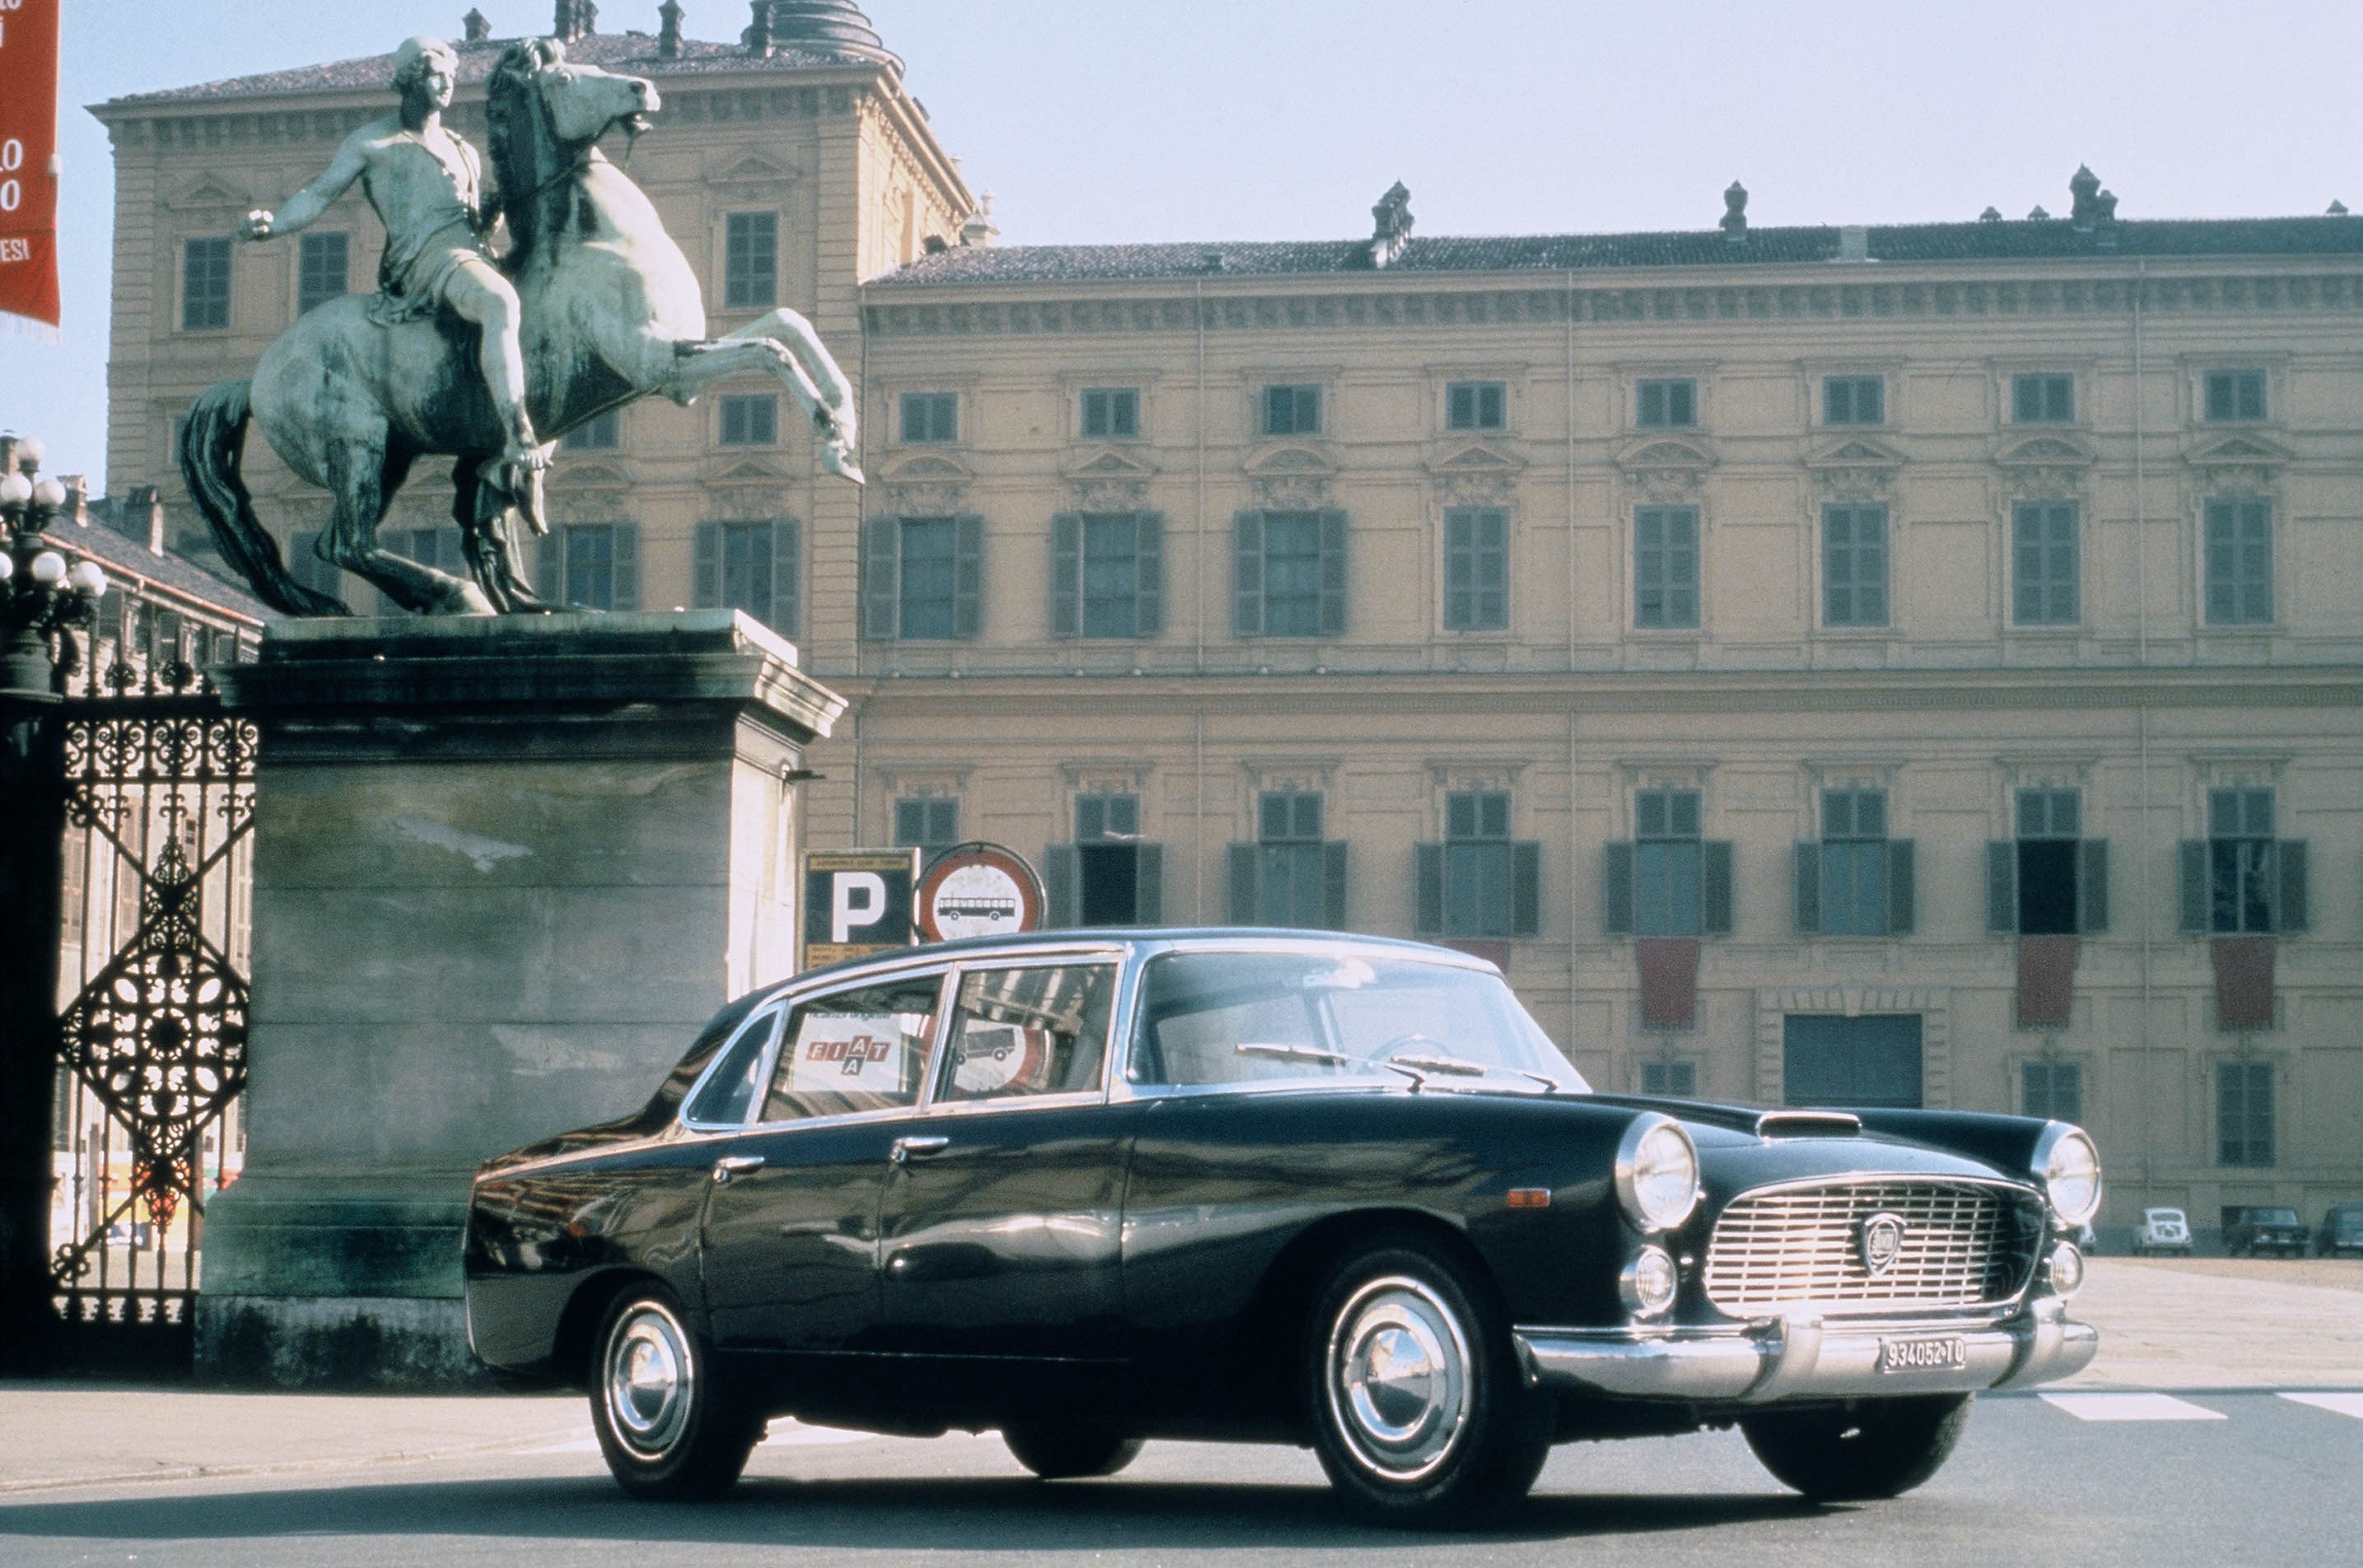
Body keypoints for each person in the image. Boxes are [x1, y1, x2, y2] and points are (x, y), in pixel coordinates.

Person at [240, 35, 548, 484]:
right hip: (425, 260)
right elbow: (319, 193)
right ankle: (519, 433)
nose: (447, 85)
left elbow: (478, 226)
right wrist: (276, 223)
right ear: (409, 80)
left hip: (473, 254)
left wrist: (493, 215)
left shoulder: (464, 148)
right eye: (435, 75)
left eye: (452, 77)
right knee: (499, 303)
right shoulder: (373, 143)